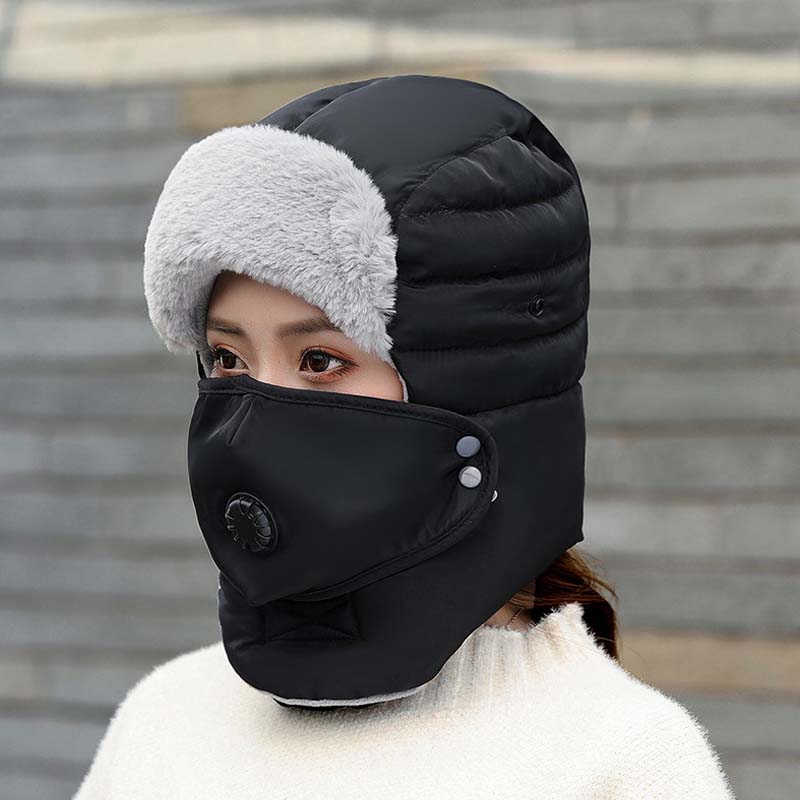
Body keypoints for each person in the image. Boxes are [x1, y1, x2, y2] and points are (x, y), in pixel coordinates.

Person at [74, 74, 735, 798]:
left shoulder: (622, 763)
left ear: (478, 397)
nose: (249, 423)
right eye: (228, 359)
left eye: (319, 360)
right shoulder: (163, 723)